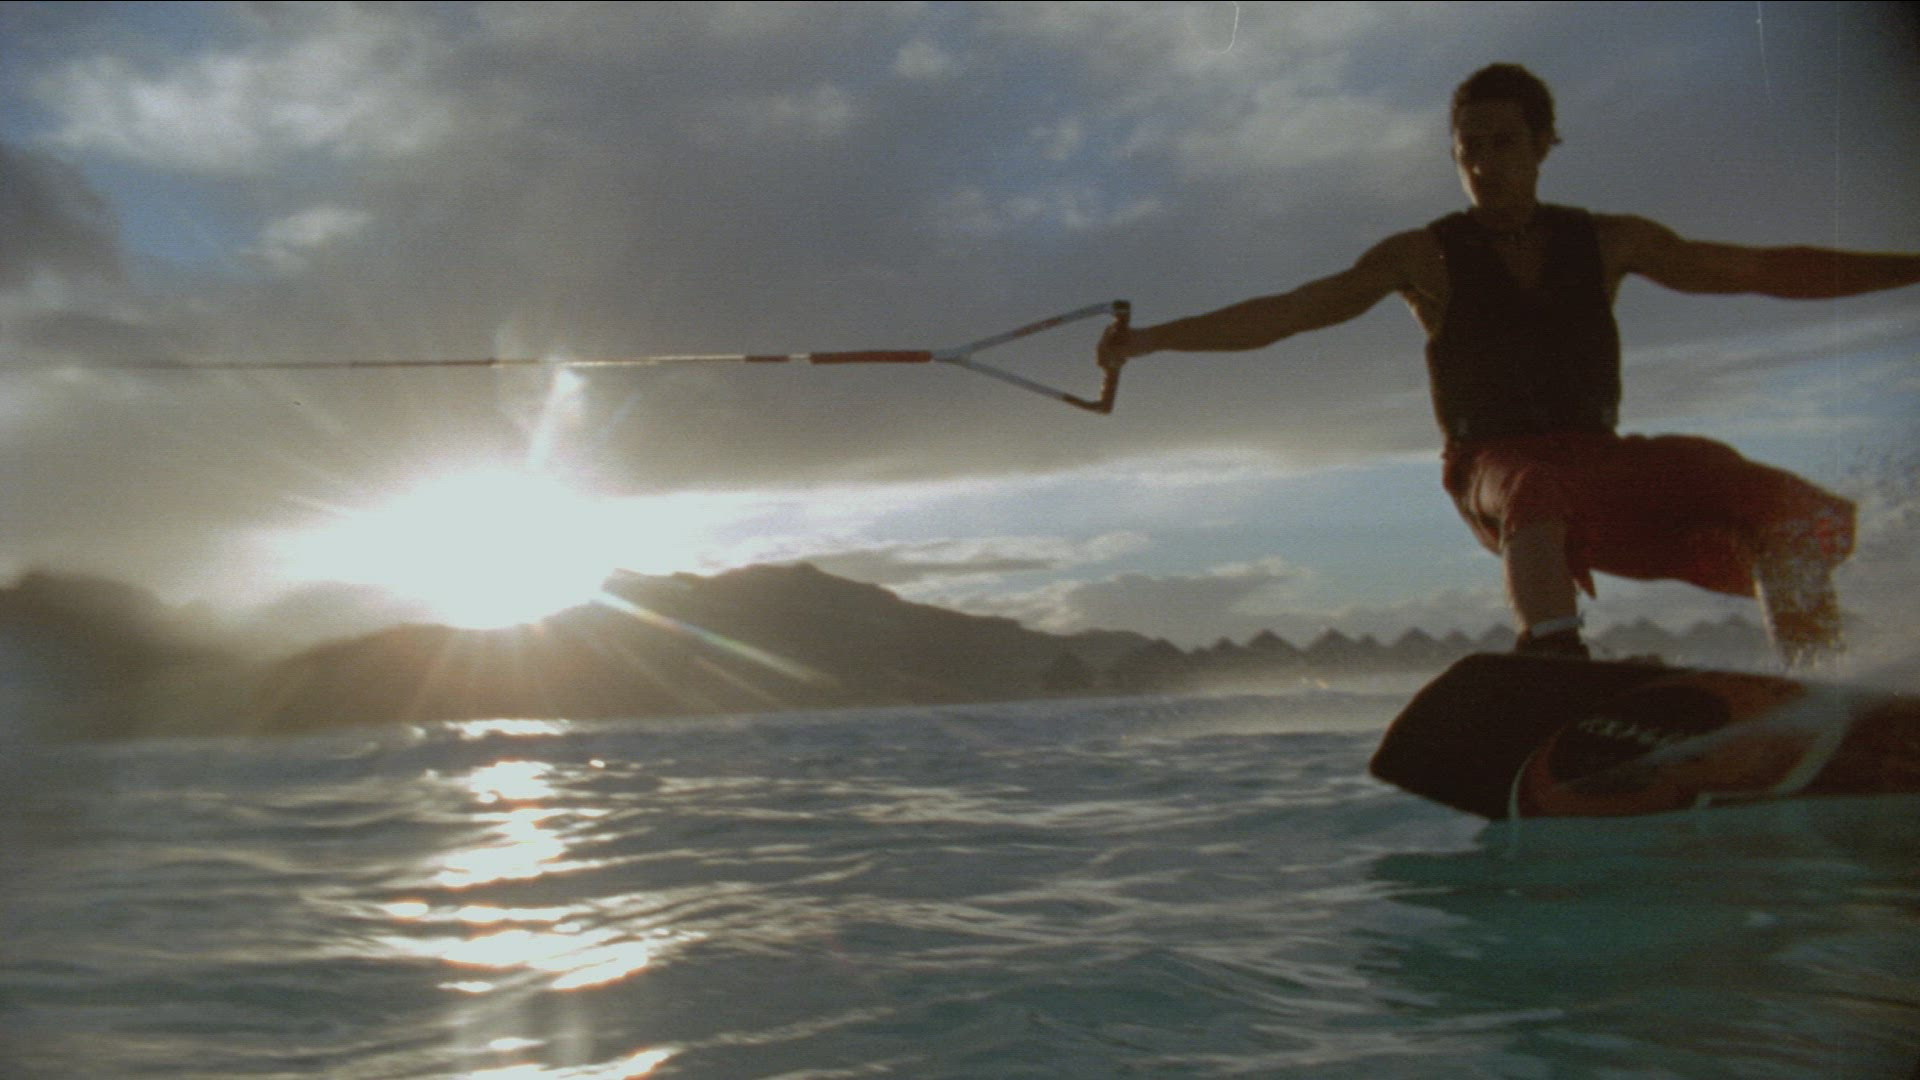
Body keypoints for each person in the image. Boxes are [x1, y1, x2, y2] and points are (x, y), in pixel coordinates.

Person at [1099, 63, 1920, 669]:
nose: (1485, 164)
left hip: (1601, 462)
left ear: (1543, 144)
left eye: (1503, 143)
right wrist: (1151, 340)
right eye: (1469, 149)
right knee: (1533, 484)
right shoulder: (1424, 256)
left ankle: (1822, 681)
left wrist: (1909, 269)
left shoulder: (1609, 241)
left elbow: (1764, 270)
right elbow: (1291, 311)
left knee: (1759, 491)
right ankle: (1554, 661)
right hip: (1491, 468)